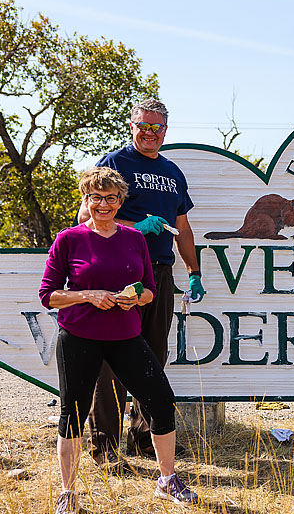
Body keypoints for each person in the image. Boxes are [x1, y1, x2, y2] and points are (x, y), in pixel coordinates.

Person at [41, 167, 198, 513]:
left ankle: (167, 480)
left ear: (120, 201)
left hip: (126, 336)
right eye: (96, 197)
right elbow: (48, 296)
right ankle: (67, 492)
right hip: (79, 336)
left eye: (111, 198)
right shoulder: (69, 239)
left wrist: (135, 298)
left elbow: (149, 291)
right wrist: (88, 295)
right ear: (85, 200)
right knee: (73, 413)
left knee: (161, 400)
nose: (103, 204)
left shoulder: (134, 239)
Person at [77, 98, 205, 465]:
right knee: (110, 361)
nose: (149, 133)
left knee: (152, 359)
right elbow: (86, 216)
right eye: (143, 126)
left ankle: (146, 439)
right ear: (132, 127)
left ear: (165, 130)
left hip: (159, 272)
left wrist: (194, 272)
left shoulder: (173, 172)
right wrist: (136, 226)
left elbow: (182, 228)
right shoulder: (113, 163)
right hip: (119, 270)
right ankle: (105, 449)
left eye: (156, 127)